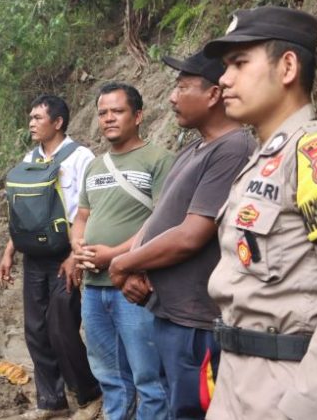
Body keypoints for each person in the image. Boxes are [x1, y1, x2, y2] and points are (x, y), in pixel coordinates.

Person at [203, 6, 317, 419]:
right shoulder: (264, 159)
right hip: (236, 379)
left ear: (286, 67)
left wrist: (312, 408)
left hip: (286, 389)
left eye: (239, 64)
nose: (224, 78)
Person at [106, 53, 255, 419]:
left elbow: (192, 234)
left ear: (214, 95)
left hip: (197, 323)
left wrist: (122, 262)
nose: (172, 97)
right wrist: (135, 267)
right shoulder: (194, 147)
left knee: (196, 410)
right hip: (172, 315)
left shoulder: (233, 149)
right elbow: (160, 218)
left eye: (183, 87)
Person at [71, 82, 174, 420]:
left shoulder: (158, 160)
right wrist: (78, 246)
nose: (108, 119)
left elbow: (162, 223)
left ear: (139, 115)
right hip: (94, 290)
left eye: (117, 111)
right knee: (110, 376)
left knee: (149, 378)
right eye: (103, 113)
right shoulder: (95, 165)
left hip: (134, 289)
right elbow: (82, 217)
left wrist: (114, 254)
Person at [0, 94, 102, 420]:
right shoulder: (30, 157)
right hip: (34, 255)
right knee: (35, 329)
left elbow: (91, 211)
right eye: (30, 117)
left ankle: (88, 394)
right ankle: (51, 401)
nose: (31, 123)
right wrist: (9, 250)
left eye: (38, 118)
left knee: (62, 325)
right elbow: (22, 212)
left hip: (65, 255)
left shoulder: (82, 158)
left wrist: (77, 255)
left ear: (58, 122)